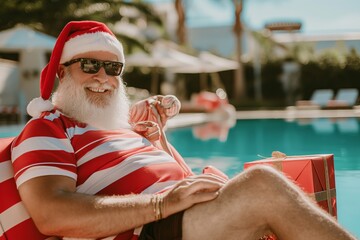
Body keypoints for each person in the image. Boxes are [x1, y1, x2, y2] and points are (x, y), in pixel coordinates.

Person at [10, 20, 356, 240]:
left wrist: (158, 140)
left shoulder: (121, 131)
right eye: (89, 65)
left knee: (284, 178)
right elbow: (51, 214)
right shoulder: (48, 128)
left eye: (112, 67)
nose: (103, 77)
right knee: (263, 186)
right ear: (61, 73)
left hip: (177, 219)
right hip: (148, 230)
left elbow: (183, 180)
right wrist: (162, 204)